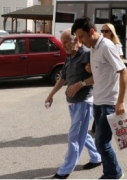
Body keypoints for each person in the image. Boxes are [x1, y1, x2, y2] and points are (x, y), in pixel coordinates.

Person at [71, 17, 127, 179]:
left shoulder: (107, 47)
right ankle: (110, 172)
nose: (80, 42)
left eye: (82, 37)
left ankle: (114, 173)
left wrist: (121, 101)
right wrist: (84, 80)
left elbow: (124, 73)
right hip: (98, 101)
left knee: (101, 143)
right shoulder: (93, 48)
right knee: (102, 142)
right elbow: (98, 75)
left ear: (91, 31)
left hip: (109, 103)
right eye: (78, 38)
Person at [44, 29, 102, 179]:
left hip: (84, 102)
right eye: (62, 42)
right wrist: (51, 95)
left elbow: (98, 76)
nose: (62, 46)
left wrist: (83, 82)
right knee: (82, 133)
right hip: (72, 103)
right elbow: (63, 78)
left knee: (74, 137)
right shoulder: (69, 57)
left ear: (76, 40)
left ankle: (65, 171)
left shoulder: (88, 54)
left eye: (65, 42)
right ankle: (96, 158)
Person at [89, 23, 123, 133]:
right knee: (101, 140)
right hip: (99, 93)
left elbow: (121, 68)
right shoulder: (96, 46)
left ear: (112, 33)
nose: (103, 33)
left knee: (102, 142)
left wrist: (121, 101)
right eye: (102, 31)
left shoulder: (113, 46)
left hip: (109, 92)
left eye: (106, 31)